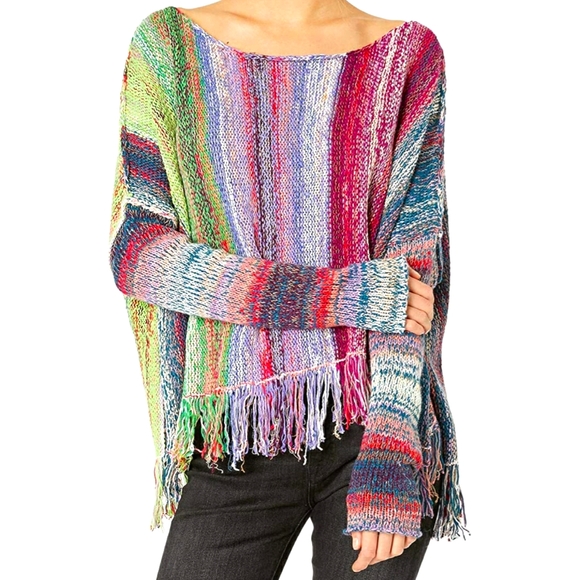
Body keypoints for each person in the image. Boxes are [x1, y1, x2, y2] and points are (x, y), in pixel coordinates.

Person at [108, 1, 468, 578]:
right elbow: (140, 253)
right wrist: (343, 295)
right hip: (233, 431)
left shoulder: (407, 54)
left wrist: (395, 442)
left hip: (373, 420)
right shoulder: (169, 45)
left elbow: (413, 276)